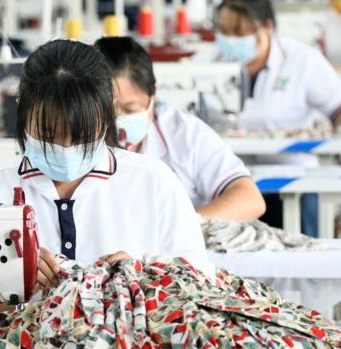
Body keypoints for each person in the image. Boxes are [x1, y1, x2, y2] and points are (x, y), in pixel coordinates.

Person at [0, 40, 215, 323]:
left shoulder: (154, 183)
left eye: (83, 135)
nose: (66, 147)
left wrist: (140, 277)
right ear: (21, 109)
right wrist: (17, 286)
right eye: (49, 134)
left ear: (109, 110)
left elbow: (200, 289)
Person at [214, 0, 341, 237]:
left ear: (266, 27)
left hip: (291, 182)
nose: (229, 39)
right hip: (227, 185)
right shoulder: (209, 61)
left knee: (298, 261)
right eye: (223, 31)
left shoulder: (301, 60)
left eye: (239, 32)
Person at [94, 36, 265, 222]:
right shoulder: (75, 139)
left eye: (130, 109)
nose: (118, 119)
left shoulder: (185, 134)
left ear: (153, 94)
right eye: (108, 111)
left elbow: (250, 199)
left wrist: (185, 228)